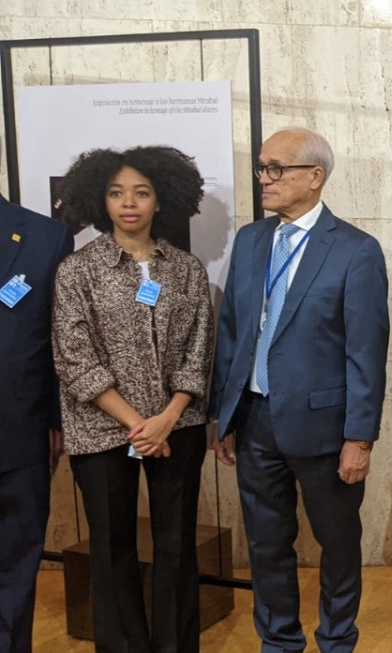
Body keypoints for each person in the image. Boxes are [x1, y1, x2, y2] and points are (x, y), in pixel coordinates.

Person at [209, 127, 389, 653]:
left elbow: (366, 354)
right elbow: (233, 332)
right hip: (255, 421)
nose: (264, 179)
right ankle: (280, 642)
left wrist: (361, 438)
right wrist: (225, 414)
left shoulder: (356, 251)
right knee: (267, 546)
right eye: (262, 167)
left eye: (276, 168)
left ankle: (336, 641)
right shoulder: (251, 240)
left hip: (326, 428)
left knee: (337, 545)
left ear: (315, 177)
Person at [51, 146, 213, 653]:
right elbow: (75, 358)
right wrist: (137, 424)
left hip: (177, 429)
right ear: (101, 200)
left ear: (160, 200)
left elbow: (199, 350)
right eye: (117, 192)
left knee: (177, 547)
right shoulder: (76, 271)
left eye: (141, 192)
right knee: (111, 548)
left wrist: (166, 419)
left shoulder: (186, 270)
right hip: (100, 432)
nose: (129, 203)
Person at [0, 182, 72, 653]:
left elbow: (56, 340)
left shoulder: (47, 235)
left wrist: (55, 421)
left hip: (18, 431)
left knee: (16, 564)